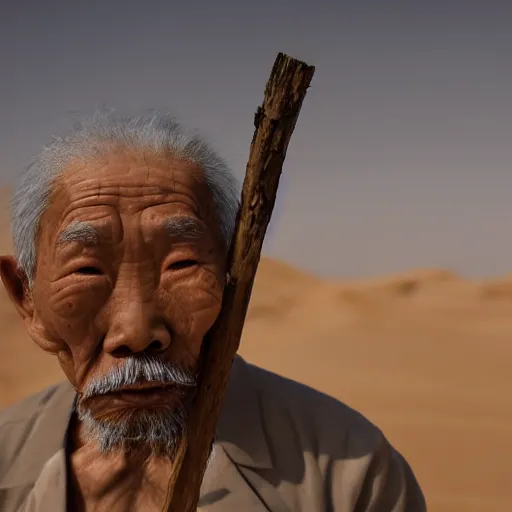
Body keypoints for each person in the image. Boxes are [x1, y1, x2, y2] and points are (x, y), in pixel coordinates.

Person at [0, 111, 426, 511]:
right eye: (87, 270)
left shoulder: (350, 475)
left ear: (230, 277)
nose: (136, 331)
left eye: (181, 264)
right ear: (27, 299)